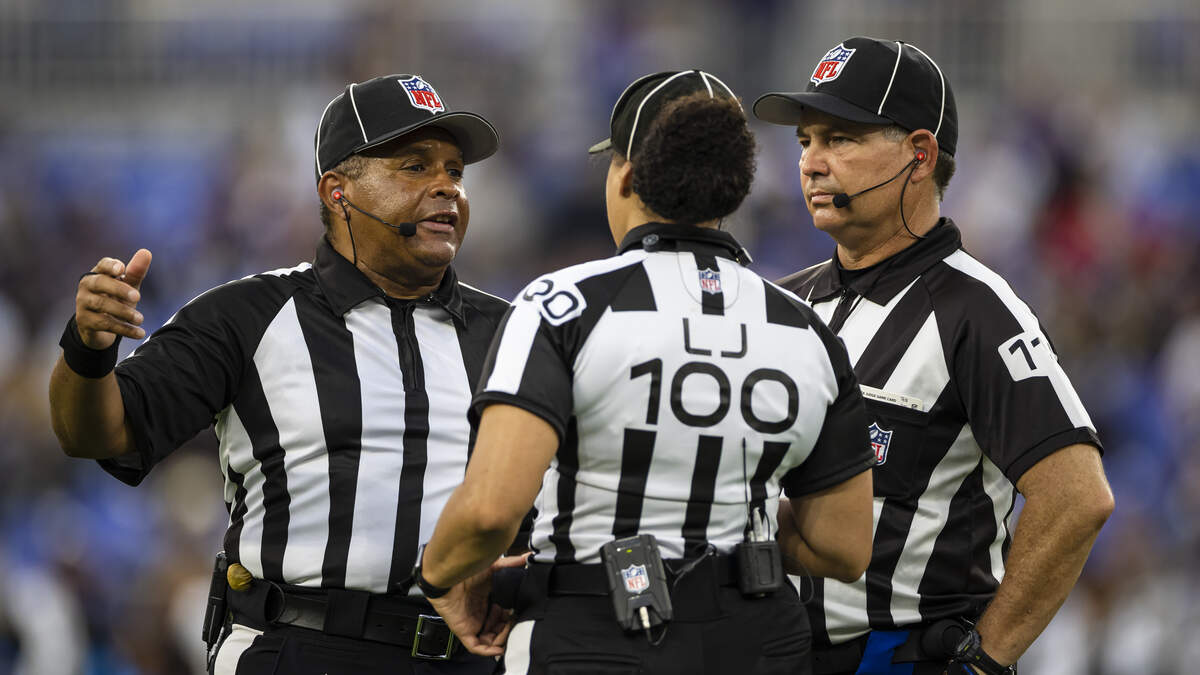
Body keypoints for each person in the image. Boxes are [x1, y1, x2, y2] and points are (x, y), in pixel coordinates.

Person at [412, 70, 877, 674]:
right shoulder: (806, 329)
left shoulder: (562, 306)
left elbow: (489, 513)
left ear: (627, 175)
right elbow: (843, 548)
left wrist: (440, 577)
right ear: (733, 188)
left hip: (598, 630)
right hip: (761, 641)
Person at [48, 73, 514, 675]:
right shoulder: (245, 315)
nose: (446, 187)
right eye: (415, 166)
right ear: (338, 192)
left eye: (454, 171)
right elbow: (94, 433)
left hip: (467, 657)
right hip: (298, 645)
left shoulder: (514, 331)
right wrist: (88, 349)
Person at [752, 37, 1115, 674]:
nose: (810, 163)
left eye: (840, 139)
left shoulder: (978, 311)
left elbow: (1077, 497)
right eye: (805, 141)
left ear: (919, 154)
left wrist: (985, 660)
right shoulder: (780, 303)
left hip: (900, 654)